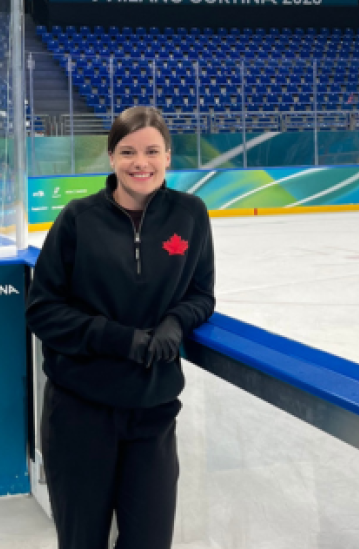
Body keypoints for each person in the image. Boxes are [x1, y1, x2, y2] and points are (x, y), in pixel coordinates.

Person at [26, 106, 216, 549]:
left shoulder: (190, 214)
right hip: (79, 414)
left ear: (168, 156)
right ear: (111, 157)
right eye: (128, 151)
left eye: (152, 151)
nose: (140, 162)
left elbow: (201, 294)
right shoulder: (78, 219)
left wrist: (175, 322)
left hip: (152, 414)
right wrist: (119, 339)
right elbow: (42, 311)